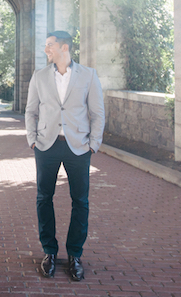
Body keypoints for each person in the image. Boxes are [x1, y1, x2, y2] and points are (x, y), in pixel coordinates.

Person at [25, 31, 105, 281]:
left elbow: (97, 112)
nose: (46, 49)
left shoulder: (88, 75)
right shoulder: (39, 76)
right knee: (43, 198)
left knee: (80, 201)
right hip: (46, 145)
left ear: (64, 47)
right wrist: (32, 140)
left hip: (78, 146)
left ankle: (75, 255)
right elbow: (31, 111)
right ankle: (49, 252)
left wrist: (93, 144)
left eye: (50, 45)